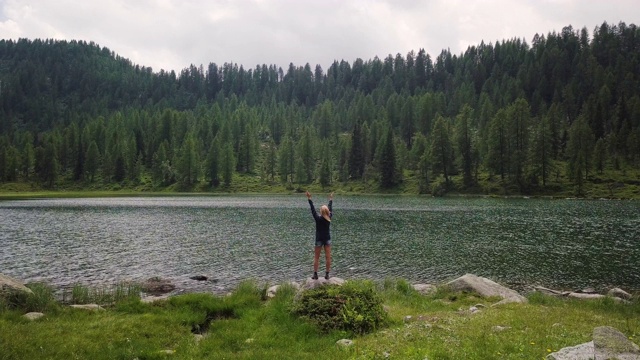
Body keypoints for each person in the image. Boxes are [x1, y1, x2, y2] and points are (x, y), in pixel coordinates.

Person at [306, 191, 333, 280]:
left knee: (316, 258)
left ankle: (315, 274)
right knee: (328, 257)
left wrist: (309, 199)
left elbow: (312, 209)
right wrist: (330, 200)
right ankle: (327, 274)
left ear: (321, 211)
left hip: (319, 240)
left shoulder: (318, 218)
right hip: (327, 239)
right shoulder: (329, 217)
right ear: (328, 212)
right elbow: (330, 209)